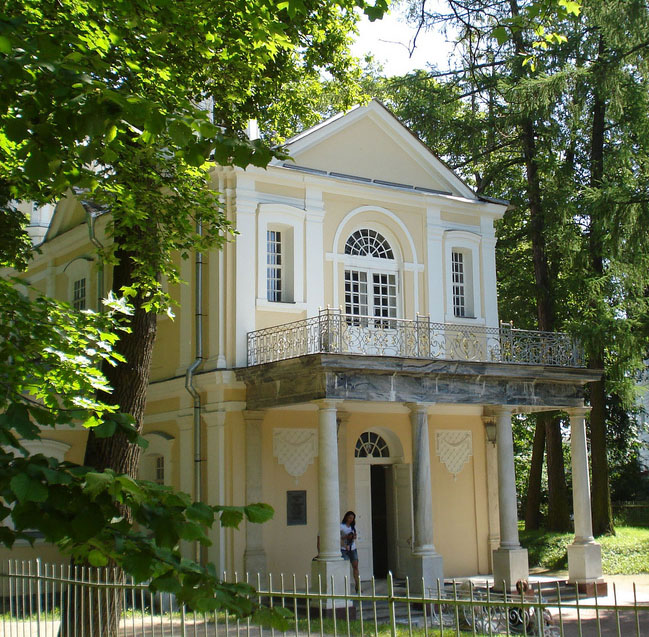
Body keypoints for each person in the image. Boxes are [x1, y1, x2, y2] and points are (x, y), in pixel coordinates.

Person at [340, 510, 360, 593]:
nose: (351, 519)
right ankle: (344, 587)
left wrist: (354, 536)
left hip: (353, 548)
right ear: (346, 517)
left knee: (355, 566)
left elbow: (356, 537)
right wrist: (346, 537)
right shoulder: (341, 526)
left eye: (352, 518)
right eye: (349, 518)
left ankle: (357, 586)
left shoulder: (353, 527)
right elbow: (339, 537)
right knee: (344, 567)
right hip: (344, 549)